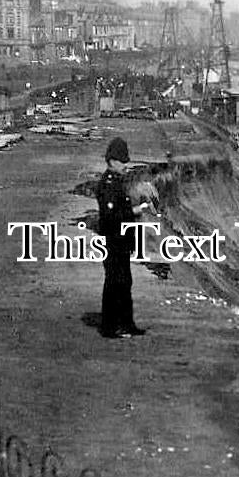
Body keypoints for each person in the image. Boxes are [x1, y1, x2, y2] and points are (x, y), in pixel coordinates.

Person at [97, 137, 151, 339]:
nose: (125, 165)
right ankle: (111, 327)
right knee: (114, 283)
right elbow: (112, 216)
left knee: (124, 282)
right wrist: (135, 211)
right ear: (111, 161)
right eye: (121, 161)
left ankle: (126, 324)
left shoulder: (116, 182)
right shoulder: (109, 184)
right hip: (113, 240)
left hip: (121, 241)